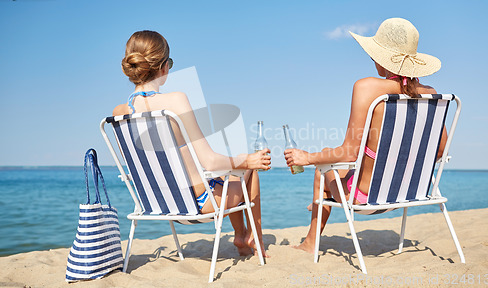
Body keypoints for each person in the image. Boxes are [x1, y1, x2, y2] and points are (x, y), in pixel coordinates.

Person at [284, 18, 447, 253]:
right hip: (412, 194)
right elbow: (440, 151)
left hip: (368, 197)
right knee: (339, 169)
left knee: (323, 172)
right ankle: (319, 200)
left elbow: (349, 152)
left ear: (381, 58)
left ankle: (310, 242)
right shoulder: (431, 94)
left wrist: (306, 157)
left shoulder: (368, 88)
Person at [113, 30, 271, 257]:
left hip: (159, 206)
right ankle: (252, 239)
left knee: (232, 174)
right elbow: (210, 161)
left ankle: (241, 235)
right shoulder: (175, 100)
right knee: (247, 171)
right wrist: (248, 159)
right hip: (198, 206)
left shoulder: (119, 113)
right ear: (164, 66)